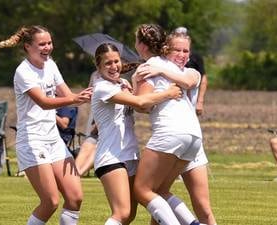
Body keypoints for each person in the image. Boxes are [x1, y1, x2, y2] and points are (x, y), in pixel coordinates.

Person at [0, 25, 92, 225]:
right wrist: (75, 99)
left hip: (53, 140)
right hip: (33, 141)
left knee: (75, 197)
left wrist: (96, 92)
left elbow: (66, 94)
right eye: (42, 44)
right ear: (27, 47)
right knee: (50, 201)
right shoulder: (23, 72)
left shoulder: (51, 65)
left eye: (49, 43)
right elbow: (44, 102)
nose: (47, 47)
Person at [91, 43, 181, 225]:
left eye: (116, 61)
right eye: (107, 63)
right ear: (98, 66)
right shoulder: (102, 87)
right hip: (110, 156)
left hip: (130, 155)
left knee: (130, 214)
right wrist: (168, 92)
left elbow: (144, 107)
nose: (113, 66)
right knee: (122, 213)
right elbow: (140, 103)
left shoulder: (122, 84)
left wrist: (135, 82)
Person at [136, 27, 217, 224]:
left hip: (172, 133)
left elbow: (143, 104)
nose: (182, 55)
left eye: (186, 51)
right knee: (161, 191)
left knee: (142, 190)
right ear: (166, 49)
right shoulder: (166, 68)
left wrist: (133, 88)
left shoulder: (171, 69)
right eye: (177, 50)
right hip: (192, 137)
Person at [175, 27, 208, 116]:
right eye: (178, 35)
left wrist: (200, 101)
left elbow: (203, 78)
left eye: (184, 35)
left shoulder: (196, 57)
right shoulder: (169, 57)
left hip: (191, 96)